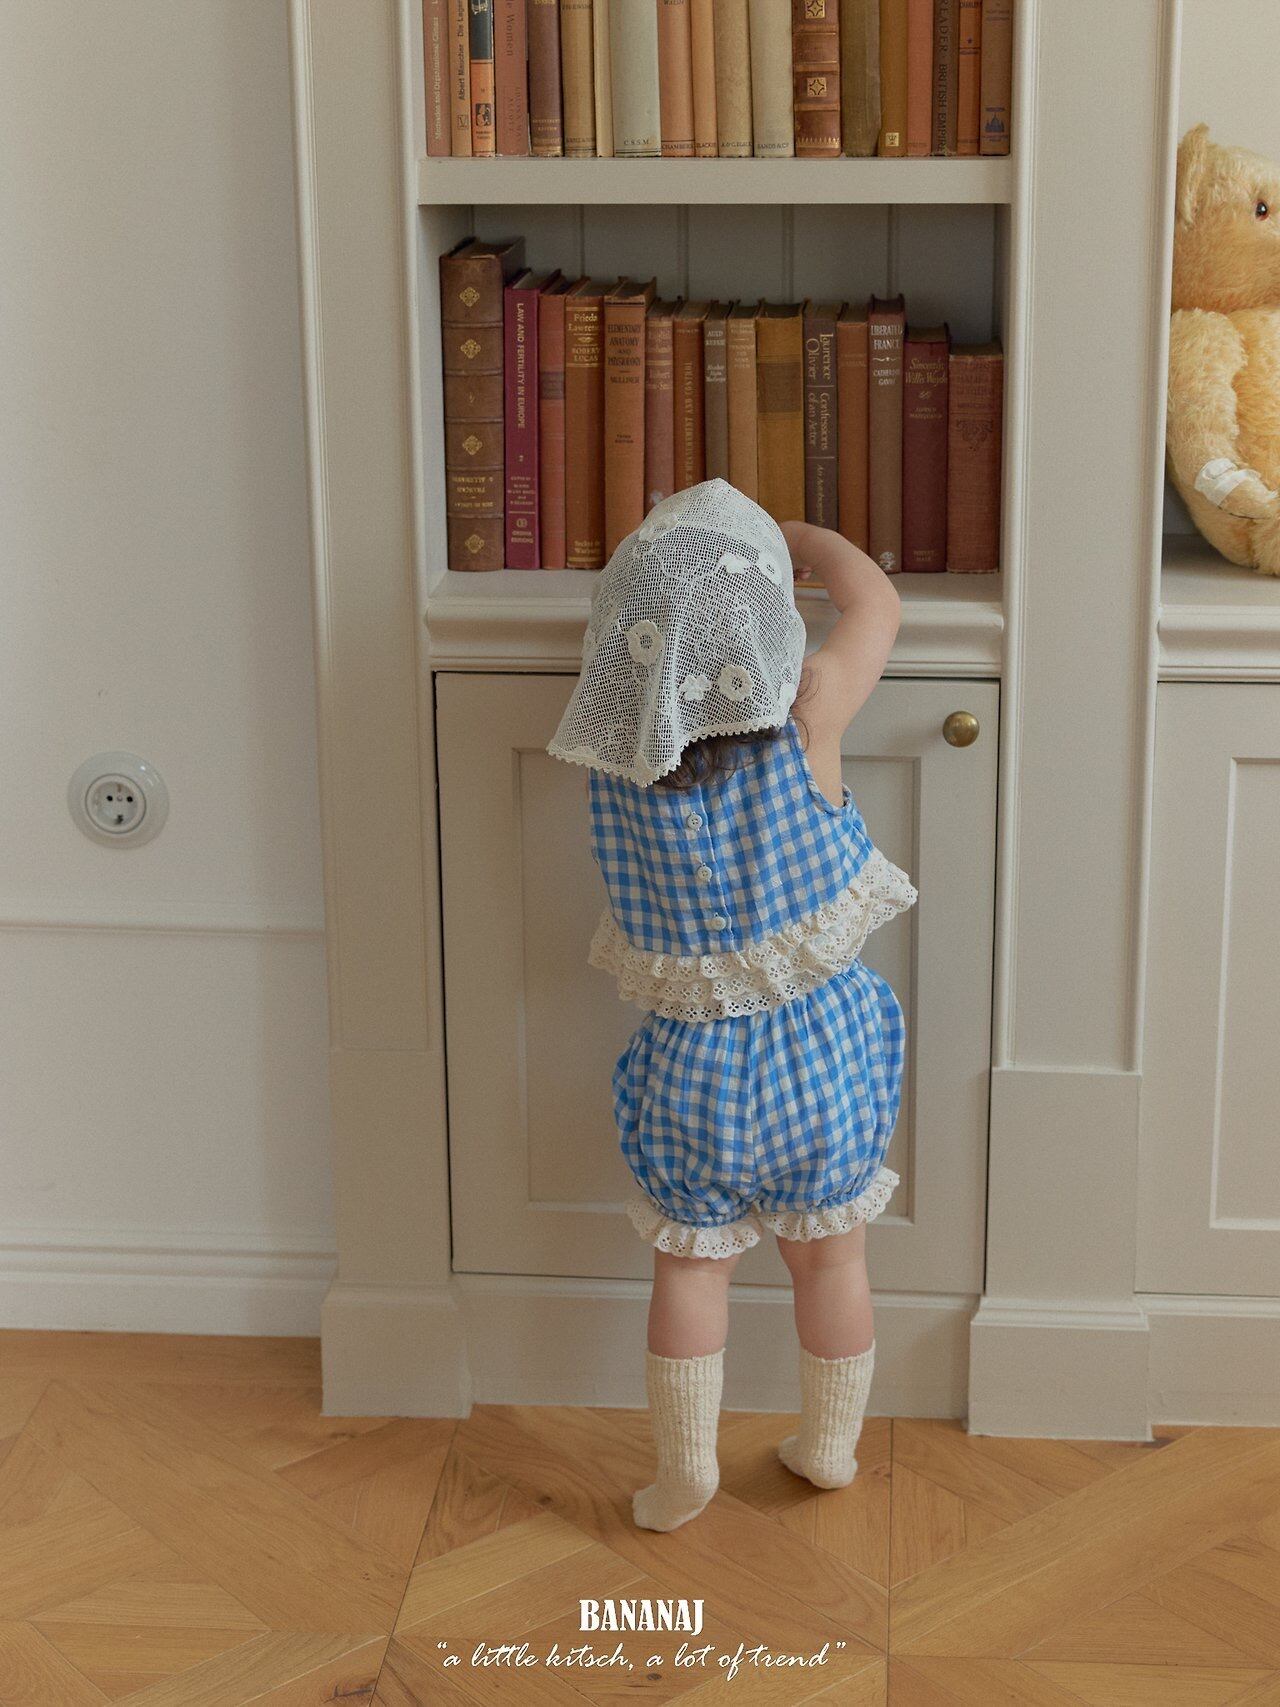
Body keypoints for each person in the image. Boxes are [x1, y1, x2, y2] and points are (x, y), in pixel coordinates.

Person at [547, 478, 916, 1531]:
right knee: (831, 1259)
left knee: (688, 1270)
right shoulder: (812, 713)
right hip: (822, 1056)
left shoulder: (619, 759)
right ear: (766, 625)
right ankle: (828, 1447)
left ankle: (684, 1473)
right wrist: (800, 535)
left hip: (692, 1070)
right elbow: (876, 602)